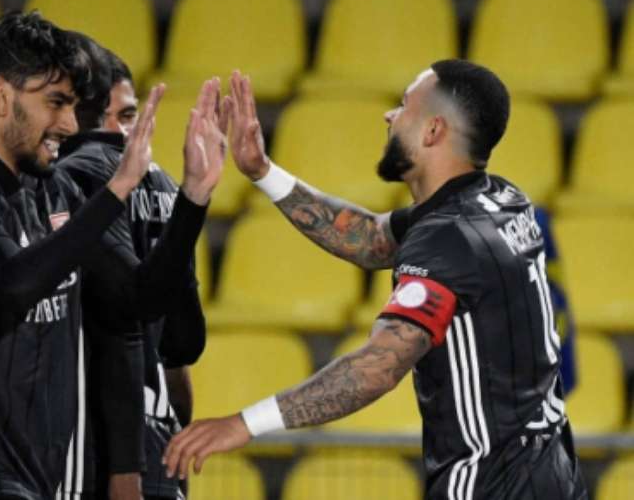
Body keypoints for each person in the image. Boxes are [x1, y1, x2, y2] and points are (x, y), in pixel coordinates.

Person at [163, 65, 588, 499]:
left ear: (433, 130)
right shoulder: (502, 200)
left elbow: (379, 368)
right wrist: (262, 171)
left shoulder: (448, 238)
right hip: (550, 475)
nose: (390, 116)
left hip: (489, 484)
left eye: (404, 106)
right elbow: (368, 239)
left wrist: (243, 423)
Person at [0, 11, 221, 500]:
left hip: (52, 479)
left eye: (72, 105)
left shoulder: (57, 191)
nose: (69, 124)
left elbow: (136, 301)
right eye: (56, 103)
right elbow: (14, 282)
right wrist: (116, 190)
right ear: (2, 95)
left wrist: (193, 199)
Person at [54, 38, 224, 500]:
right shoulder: (171, 187)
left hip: (88, 448)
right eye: (124, 116)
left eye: (130, 117)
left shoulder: (63, 177)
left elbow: (116, 321)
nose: (126, 135)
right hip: (159, 440)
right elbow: (183, 342)